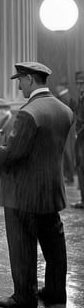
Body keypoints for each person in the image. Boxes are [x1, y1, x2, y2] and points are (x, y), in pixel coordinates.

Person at [0, 61, 74, 308]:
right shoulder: (64, 111)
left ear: (29, 79)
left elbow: (14, 152)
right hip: (50, 189)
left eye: (20, 80)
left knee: (22, 246)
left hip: (23, 192)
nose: (18, 86)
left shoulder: (30, 113)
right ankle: (55, 291)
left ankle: (24, 297)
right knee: (54, 244)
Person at [55, 81, 76, 184]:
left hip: (66, 128)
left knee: (67, 153)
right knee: (67, 152)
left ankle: (70, 176)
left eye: (57, 86)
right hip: (68, 128)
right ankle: (69, 176)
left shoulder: (64, 98)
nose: (56, 88)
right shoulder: (65, 97)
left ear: (61, 87)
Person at [72, 71, 84, 208]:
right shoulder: (81, 97)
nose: (80, 86)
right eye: (79, 84)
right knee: (81, 168)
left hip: (82, 137)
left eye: (82, 84)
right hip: (80, 138)